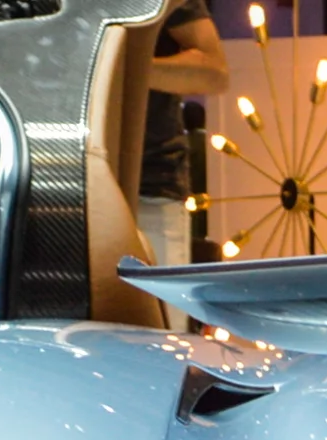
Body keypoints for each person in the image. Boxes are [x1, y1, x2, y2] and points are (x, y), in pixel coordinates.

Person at [136, 0, 228, 323]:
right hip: (51, 179)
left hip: (149, 185)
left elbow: (214, 73)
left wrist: (122, 66)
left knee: (157, 340)